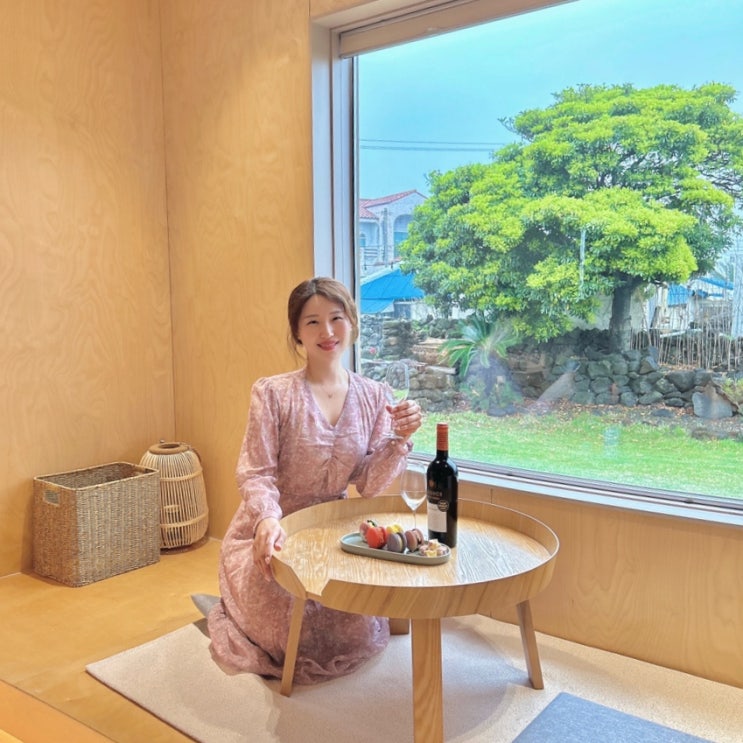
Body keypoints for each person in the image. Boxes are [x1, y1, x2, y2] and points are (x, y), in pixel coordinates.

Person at [206, 277, 422, 684]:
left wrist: (399, 439)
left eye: (336, 318)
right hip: (275, 527)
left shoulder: (375, 395)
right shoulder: (273, 393)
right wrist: (267, 519)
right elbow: (256, 471)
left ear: (352, 323)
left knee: (352, 631)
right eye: (312, 322)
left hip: (333, 528)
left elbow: (369, 485)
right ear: (297, 333)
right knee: (284, 633)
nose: (327, 332)